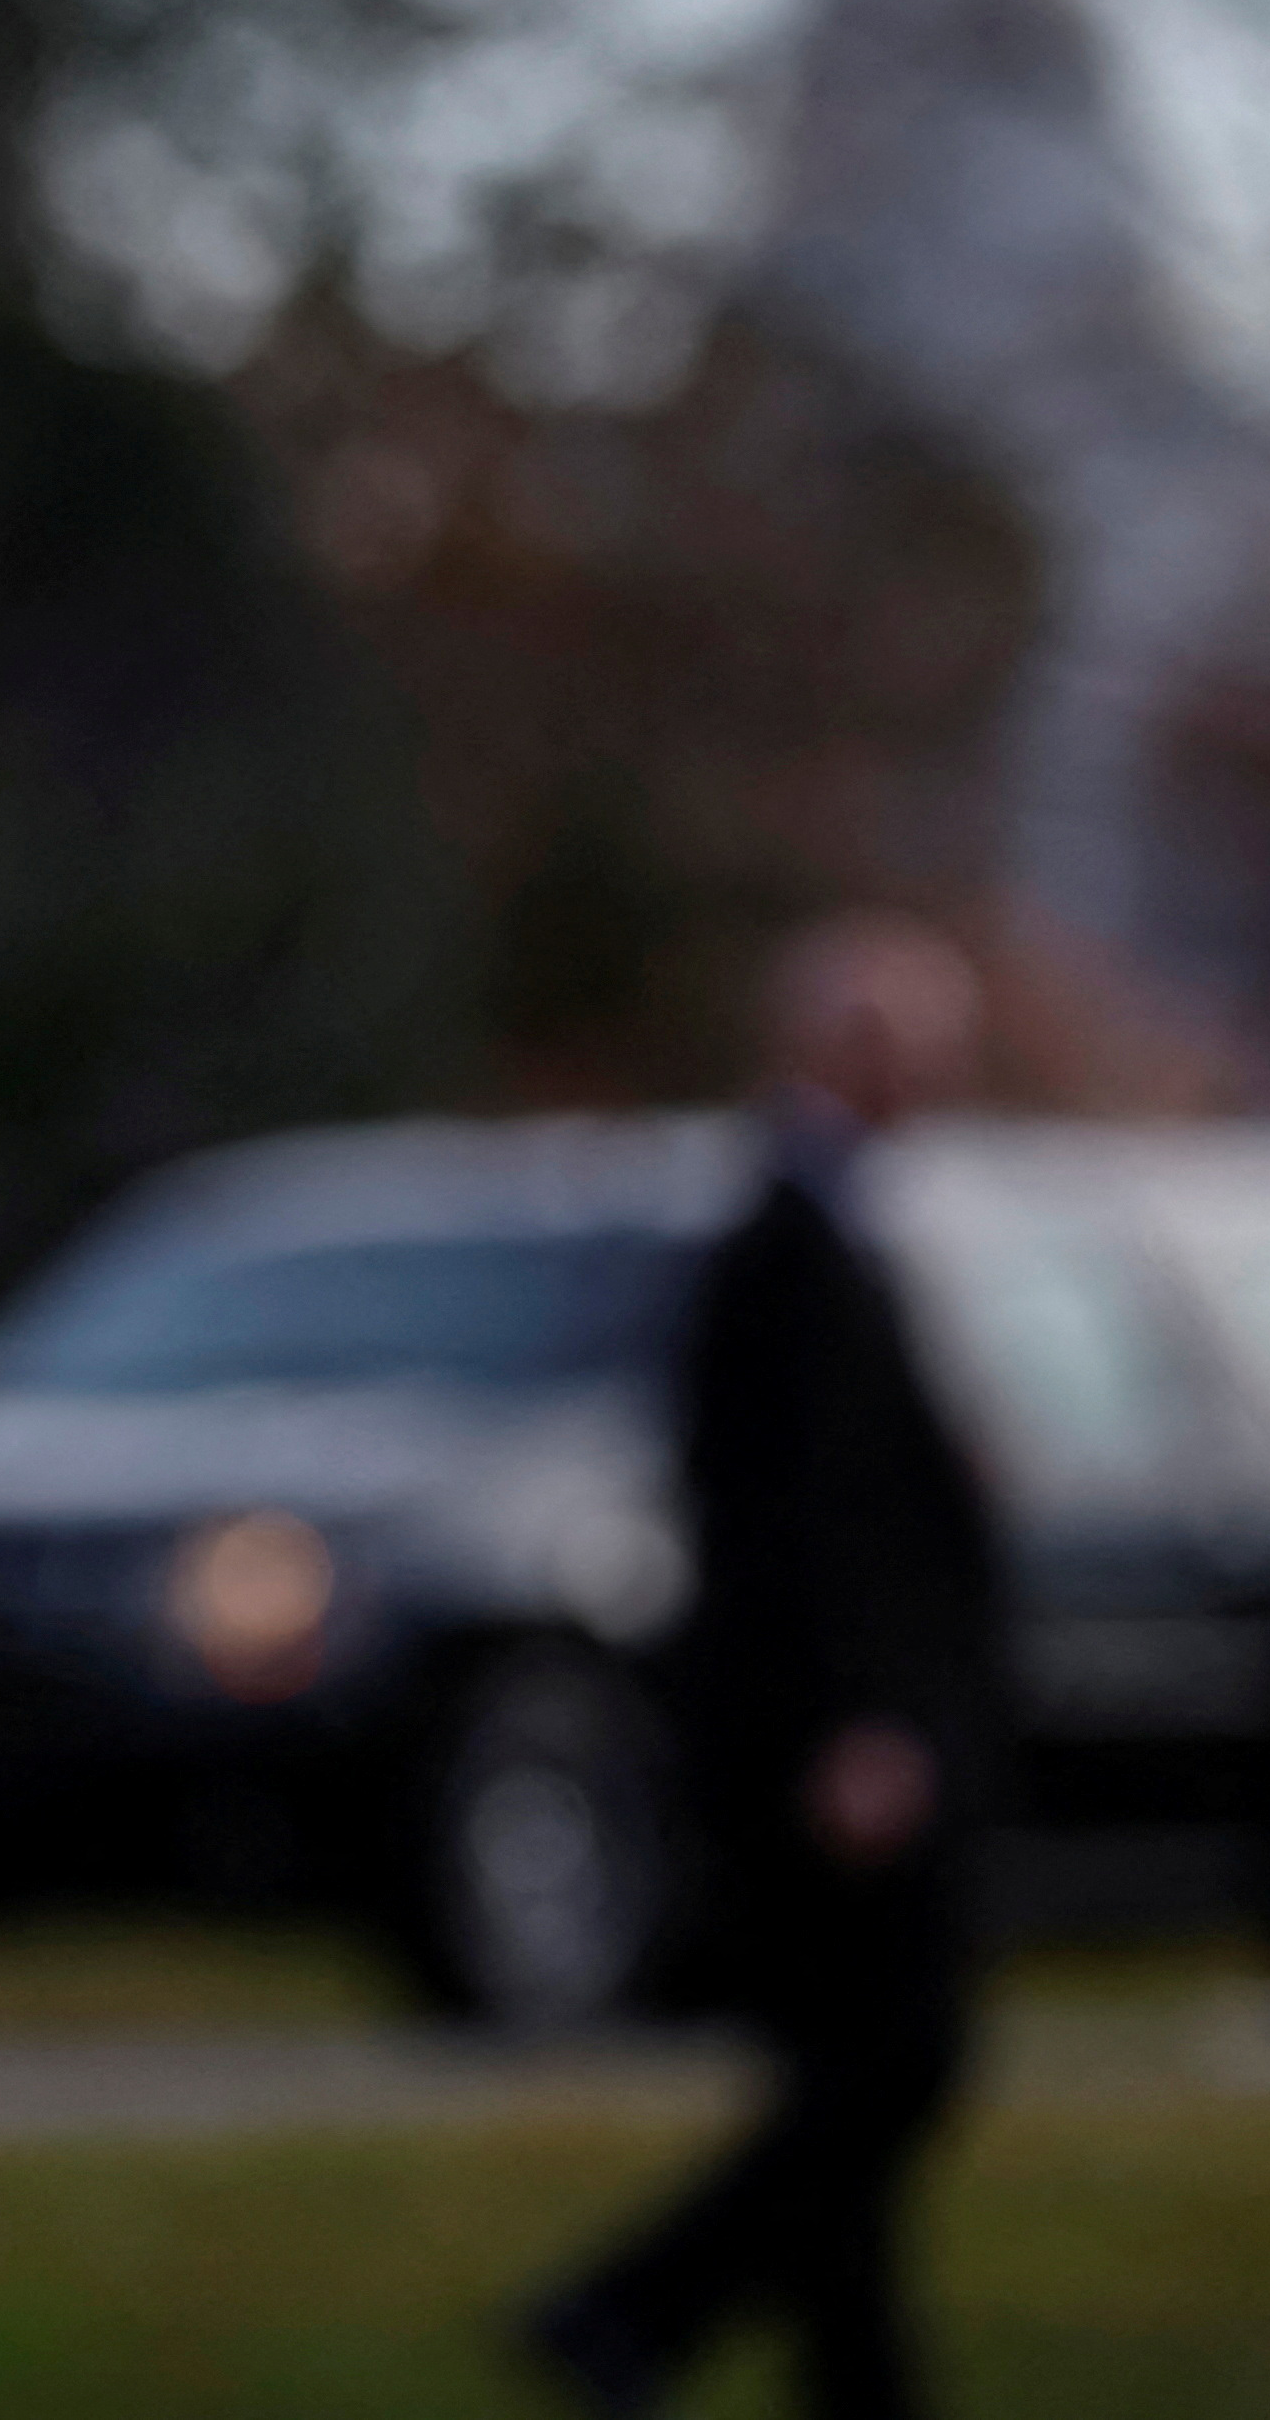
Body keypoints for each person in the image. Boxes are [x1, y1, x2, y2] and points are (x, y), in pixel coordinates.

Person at [523, 916, 1010, 2420]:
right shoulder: (780, 1245)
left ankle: (849, 2381)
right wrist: (855, 1719)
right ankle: (629, 2304)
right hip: (840, 1737)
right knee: (892, 2056)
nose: (939, 1069)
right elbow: (793, 1513)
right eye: (912, 1037)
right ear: (837, 1046)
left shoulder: (836, 1228)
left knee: (852, 2074)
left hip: (865, 1719)